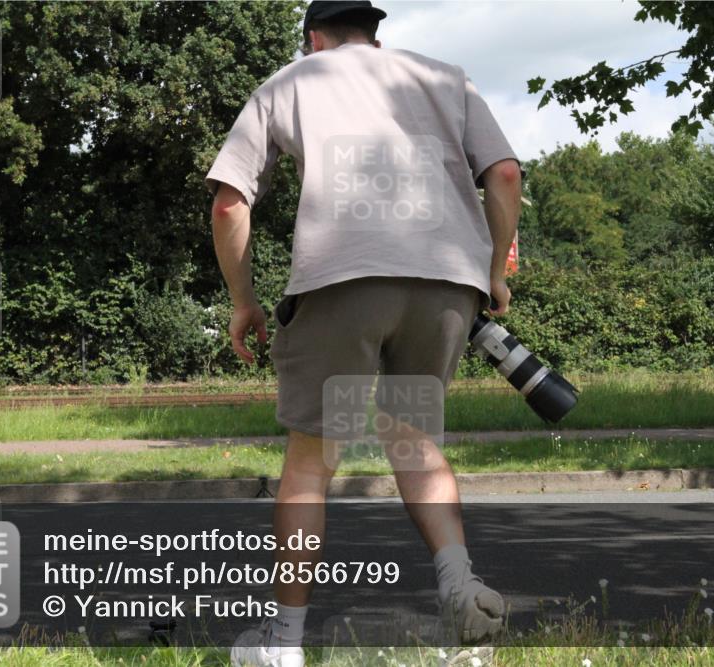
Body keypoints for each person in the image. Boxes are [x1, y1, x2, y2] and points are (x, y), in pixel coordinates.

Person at [205, 2, 523, 665]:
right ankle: (460, 584)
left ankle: (283, 644)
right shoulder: (445, 77)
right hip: (444, 284)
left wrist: (243, 302)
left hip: (340, 282)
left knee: (312, 459)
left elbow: (230, 202)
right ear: (374, 35)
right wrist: (494, 271)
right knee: (414, 439)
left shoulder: (294, 79)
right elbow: (504, 174)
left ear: (314, 38)